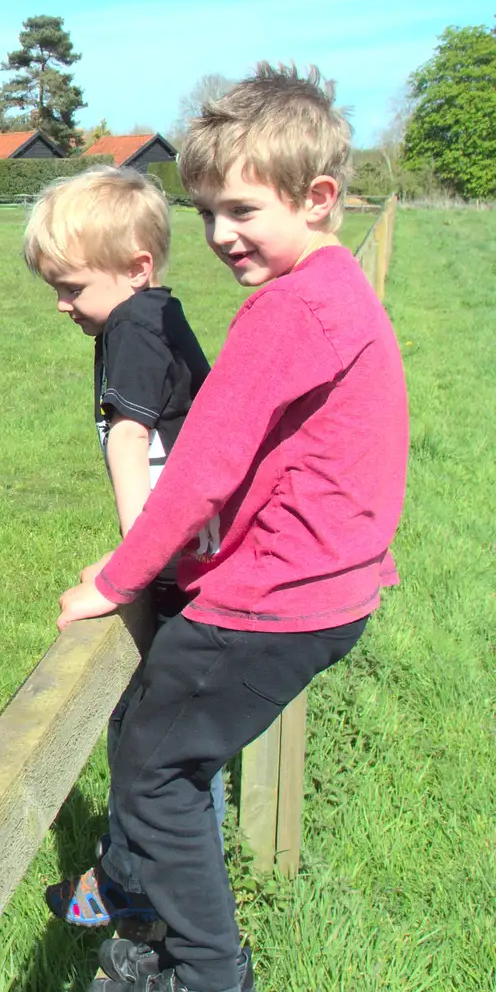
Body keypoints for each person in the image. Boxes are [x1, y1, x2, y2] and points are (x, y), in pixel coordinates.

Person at [56, 65, 409, 992]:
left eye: (243, 211)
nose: (218, 235)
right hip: (327, 588)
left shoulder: (286, 313)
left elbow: (200, 469)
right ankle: (141, 928)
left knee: (154, 777)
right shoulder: (336, 292)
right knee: (160, 740)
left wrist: (118, 578)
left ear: (319, 198)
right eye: (206, 210)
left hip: (274, 605)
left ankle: (208, 973)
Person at [20, 166, 224, 936]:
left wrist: (129, 565)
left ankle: (142, 898)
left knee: (154, 741)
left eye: (71, 287)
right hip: (195, 560)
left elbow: (133, 437)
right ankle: (145, 881)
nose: (61, 305)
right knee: (168, 735)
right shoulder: (154, 316)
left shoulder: (133, 326)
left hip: (184, 571)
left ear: (137, 267)